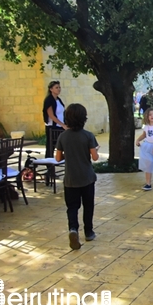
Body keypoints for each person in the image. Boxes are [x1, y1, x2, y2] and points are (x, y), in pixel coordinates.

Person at [55, 103, 99, 250]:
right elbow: (95, 157)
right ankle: (89, 232)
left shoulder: (63, 136)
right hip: (87, 178)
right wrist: (95, 150)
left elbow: (57, 158)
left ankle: (73, 229)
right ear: (84, 118)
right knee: (88, 205)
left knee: (72, 207)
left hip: (70, 179)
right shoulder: (88, 136)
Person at [42, 81, 67, 158]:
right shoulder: (49, 100)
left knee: (64, 144)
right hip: (52, 127)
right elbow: (51, 116)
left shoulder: (58, 99)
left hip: (60, 126)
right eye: (56, 87)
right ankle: (49, 166)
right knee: (50, 147)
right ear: (51, 89)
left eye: (59, 87)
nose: (59, 89)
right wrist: (62, 125)